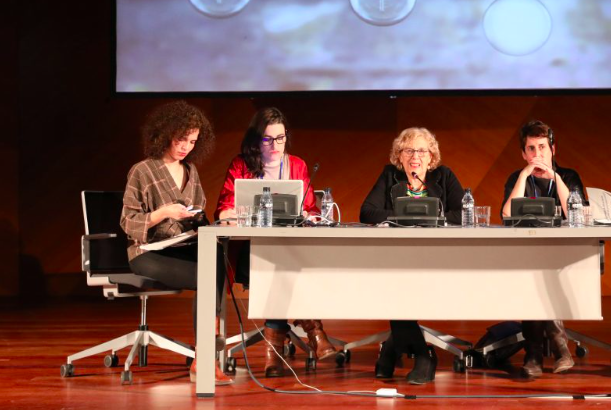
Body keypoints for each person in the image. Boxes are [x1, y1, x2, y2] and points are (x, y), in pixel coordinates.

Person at [215, 107, 336, 378]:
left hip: (291, 250)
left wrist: (308, 216)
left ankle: (275, 351)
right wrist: (229, 213)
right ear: (256, 140)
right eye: (268, 139)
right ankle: (314, 331)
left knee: (283, 262)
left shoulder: (298, 165)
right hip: (250, 253)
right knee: (279, 265)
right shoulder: (240, 165)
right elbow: (223, 207)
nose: (275, 145)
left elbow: (311, 211)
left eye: (280, 138)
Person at [120, 100, 232, 385]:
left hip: (181, 246)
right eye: (181, 140)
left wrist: (199, 219)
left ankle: (203, 357)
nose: (186, 147)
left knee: (218, 264)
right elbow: (128, 222)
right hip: (147, 251)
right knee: (208, 277)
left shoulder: (190, 171)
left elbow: (198, 211)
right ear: (166, 134)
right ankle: (204, 358)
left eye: (192, 142)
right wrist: (163, 213)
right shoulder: (142, 171)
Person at [359, 127, 465, 384]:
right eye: (408, 151)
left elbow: (463, 213)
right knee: (396, 284)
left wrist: (425, 219)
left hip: (437, 256)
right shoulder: (389, 175)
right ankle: (423, 353)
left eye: (421, 151)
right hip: (396, 255)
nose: (415, 156)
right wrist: (406, 218)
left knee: (399, 288)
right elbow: (367, 212)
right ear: (399, 156)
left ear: (431, 157)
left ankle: (394, 349)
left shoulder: (444, 176)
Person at [500, 120, 588, 377]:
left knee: (538, 273)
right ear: (523, 154)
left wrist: (556, 178)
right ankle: (557, 349)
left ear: (553, 149)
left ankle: (535, 353)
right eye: (531, 149)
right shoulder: (518, 178)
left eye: (542, 147)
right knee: (535, 273)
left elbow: (577, 214)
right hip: (529, 253)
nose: (537, 154)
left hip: (566, 253)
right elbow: (506, 213)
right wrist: (525, 175)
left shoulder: (568, 176)